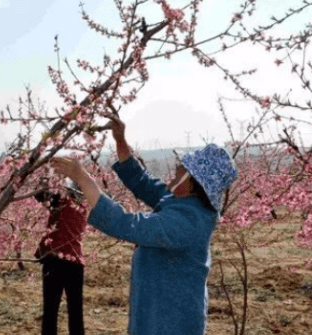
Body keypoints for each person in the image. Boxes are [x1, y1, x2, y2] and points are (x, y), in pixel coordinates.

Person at [51, 116, 238, 335]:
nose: (176, 169)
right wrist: (120, 140)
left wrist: (82, 178)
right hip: (158, 311)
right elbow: (142, 181)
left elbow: (125, 224)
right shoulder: (182, 202)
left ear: (192, 181)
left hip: (172, 321)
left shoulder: (187, 221)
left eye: (181, 168)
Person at [34, 177, 88, 335]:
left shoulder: (60, 201)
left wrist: (48, 174)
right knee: (76, 313)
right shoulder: (83, 207)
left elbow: (38, 194)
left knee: (50, 312)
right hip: (76, 263)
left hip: (55, 261)